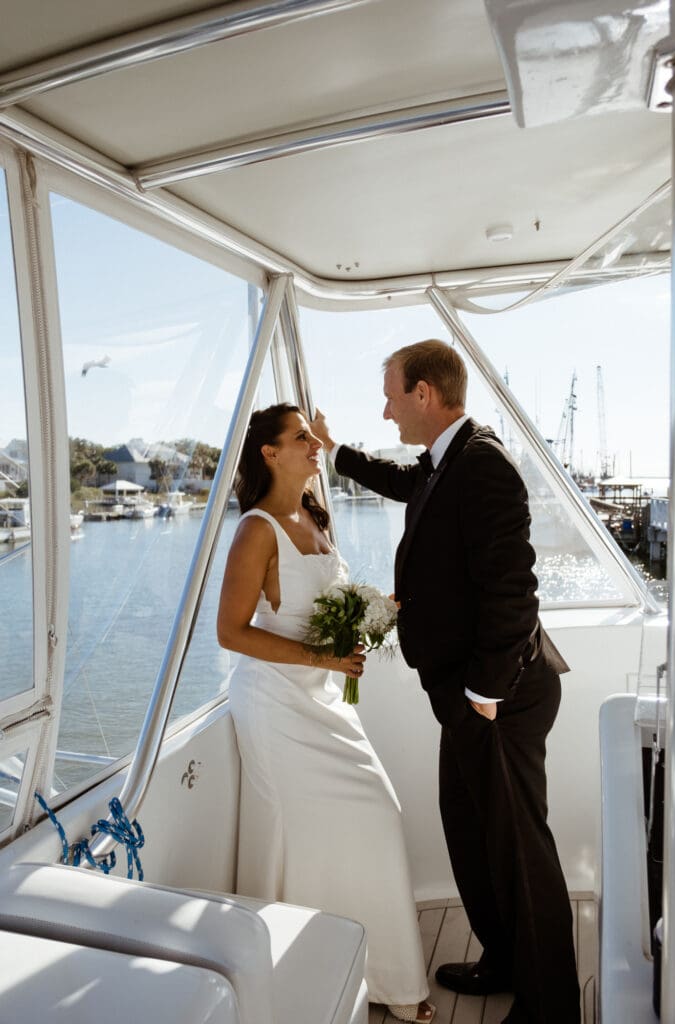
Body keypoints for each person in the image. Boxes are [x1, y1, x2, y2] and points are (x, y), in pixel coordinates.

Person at [311, 340, 581, 1024]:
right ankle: (504, 958)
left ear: (426, 394)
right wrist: (336, 453)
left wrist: (484, 693)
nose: (387, 409)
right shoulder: (445, 463)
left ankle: (549, 1004)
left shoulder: (483, 464)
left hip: (499, 696)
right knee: (470, 831)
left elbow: (513, 594)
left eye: (393, 396)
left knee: (520, 851)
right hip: (467, 696)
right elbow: (407, 483)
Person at [217, 403, 435, 1024]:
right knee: (330, 826)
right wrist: (325, 655)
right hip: (276, 705)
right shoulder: (256, 529)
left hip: (325, 697)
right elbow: (230, 632)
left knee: (373, 816)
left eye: (313, 437)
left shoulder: (313, 515)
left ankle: (376, 975)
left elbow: (326, 603)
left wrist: (369, 618)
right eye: (302, 438)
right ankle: (297, 979)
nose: (317, 446)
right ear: (270, 454)